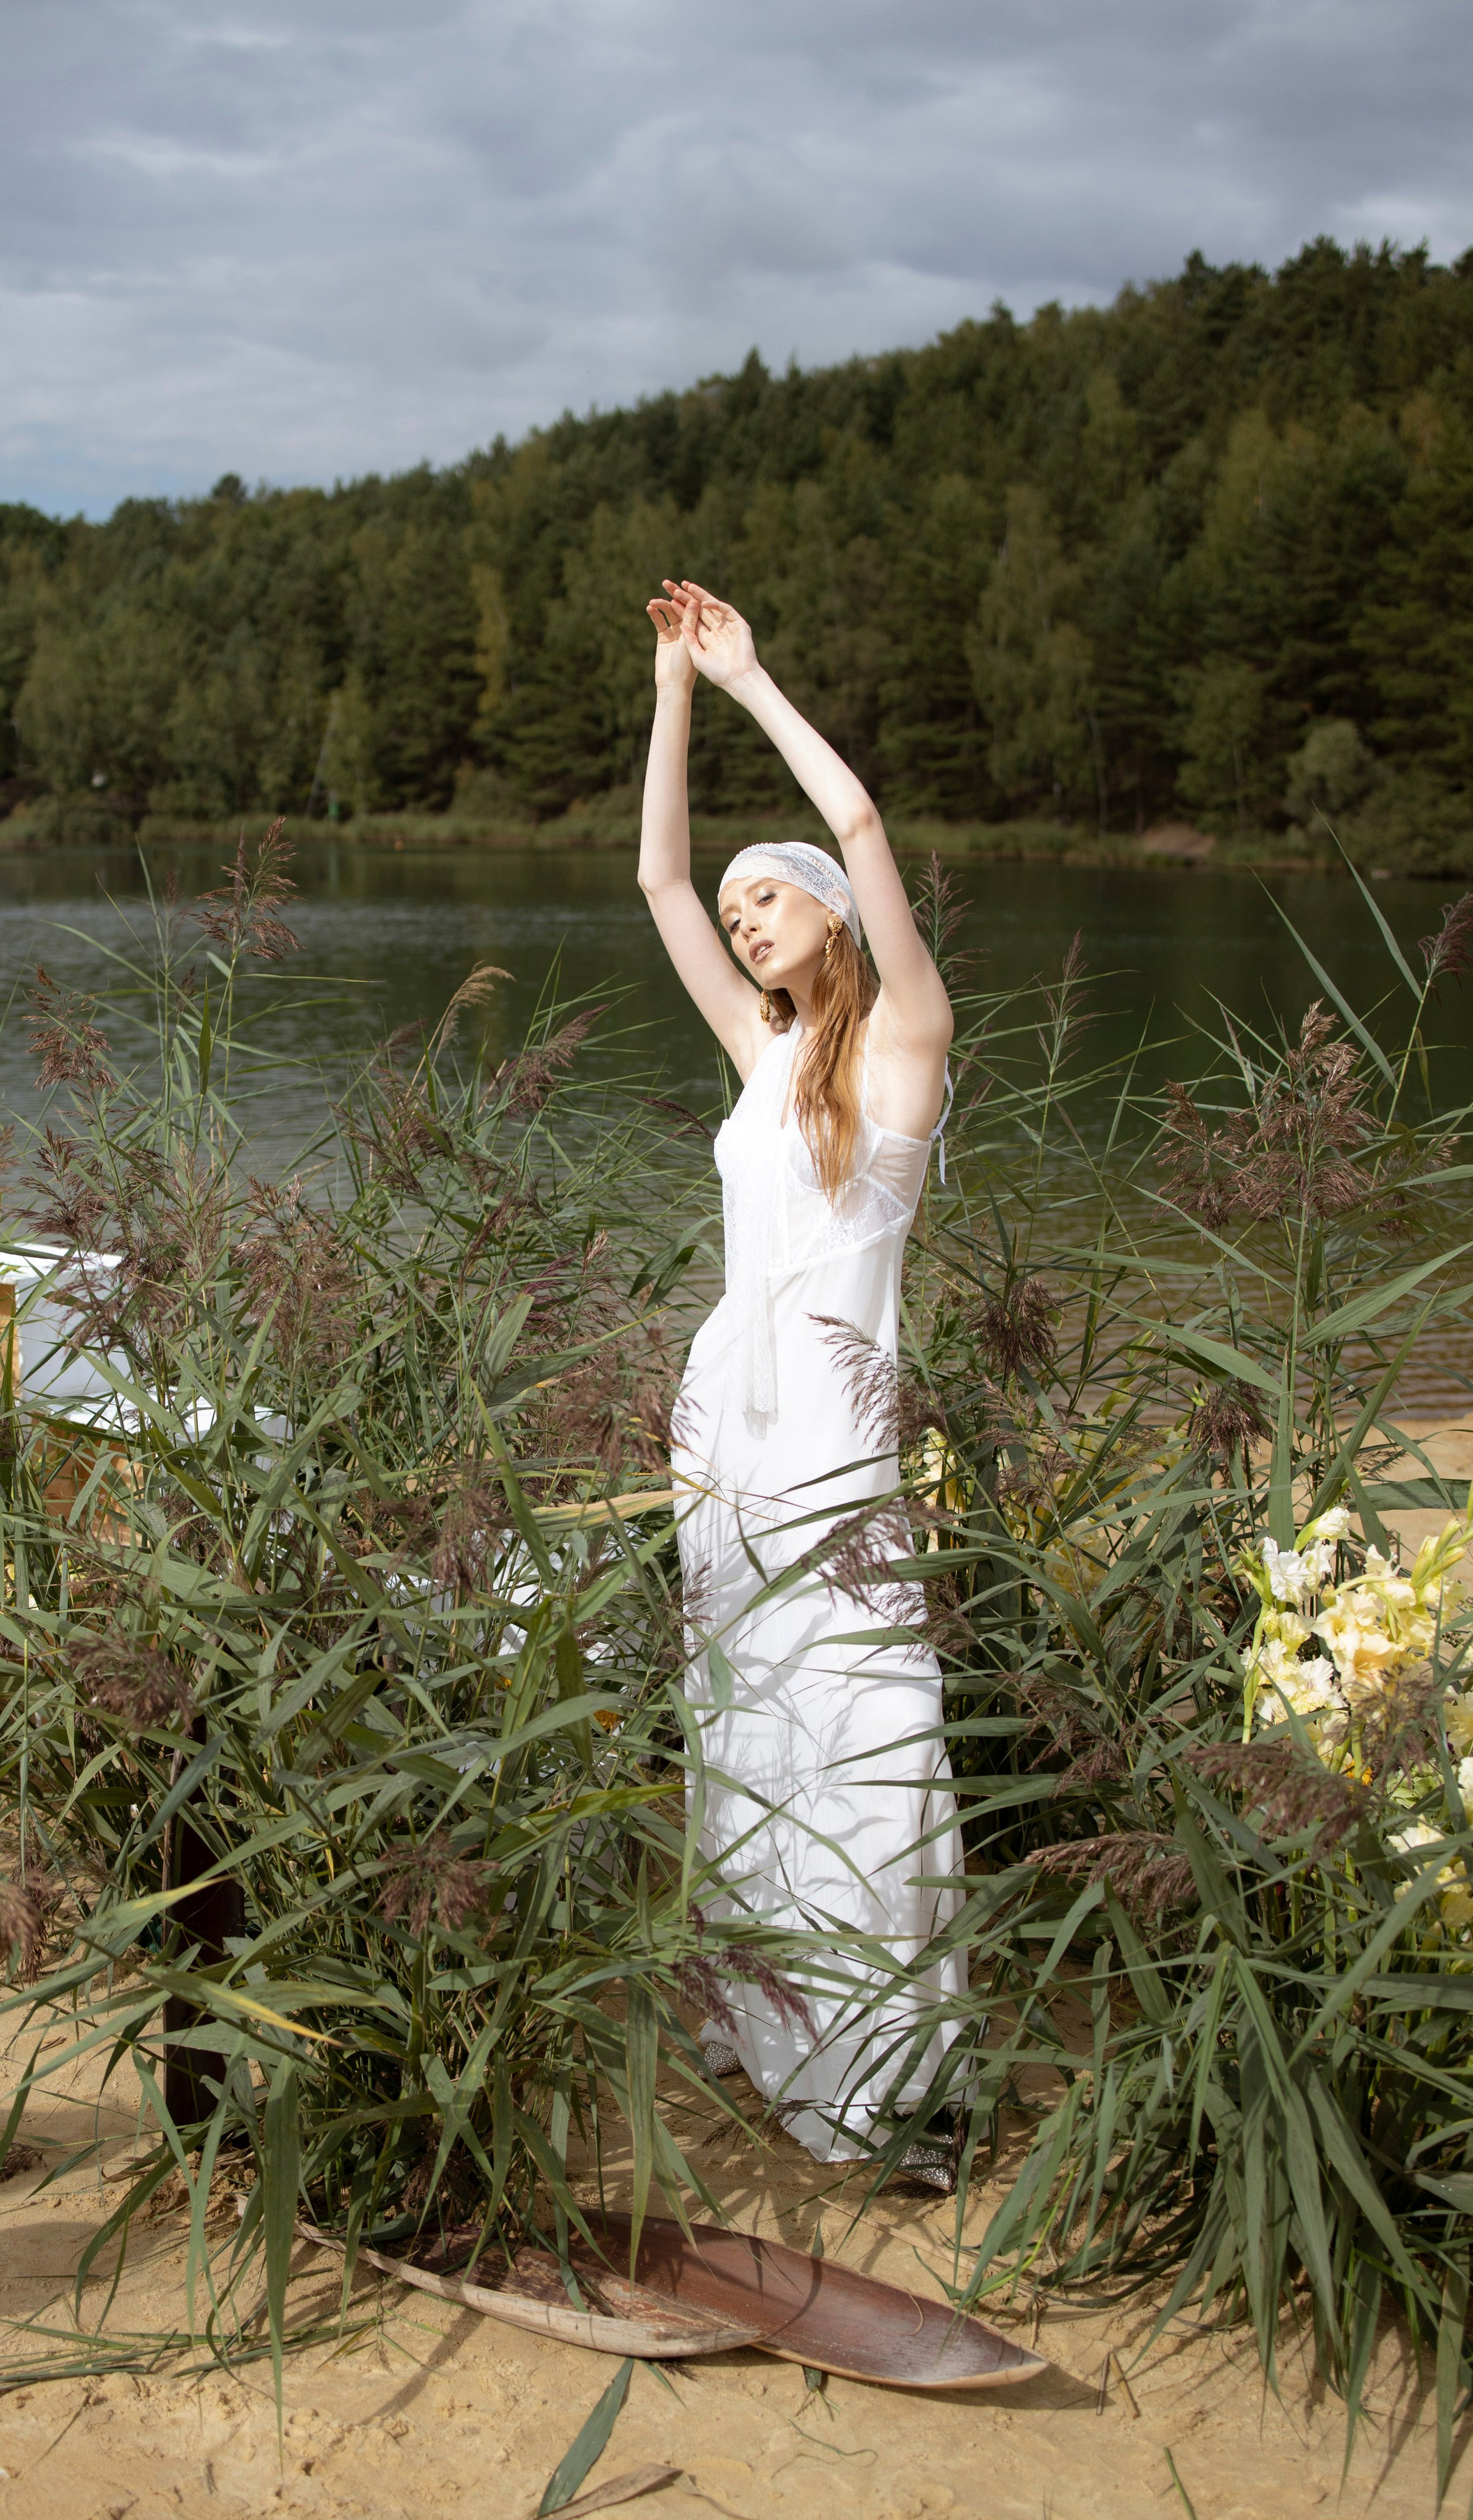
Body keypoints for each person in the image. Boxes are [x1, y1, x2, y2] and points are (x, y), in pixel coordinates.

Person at [638, 578, 965, 2190]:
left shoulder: (900, 1044)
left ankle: (887, 2069)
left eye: (771, 897)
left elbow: (853, 807)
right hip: (730, 1433)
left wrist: (754, 672)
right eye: (742, 905)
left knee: (868, 1723)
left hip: (839, 1430)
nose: (746, 912)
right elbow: (651, 877)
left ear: (834, 912)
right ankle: (769, 2037)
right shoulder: (761, 1057)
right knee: (747, 1723)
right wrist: (669, 689)